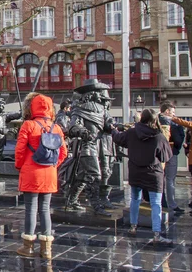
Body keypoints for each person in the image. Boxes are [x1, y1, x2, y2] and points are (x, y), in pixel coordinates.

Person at [15, 93, 67, 259]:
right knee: (45, 209)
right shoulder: (56, 127)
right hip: (49, 173)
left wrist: (20, 165)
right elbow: (63, 153)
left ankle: (28, 246)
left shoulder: (28, 125)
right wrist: (53, 165)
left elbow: (20, 149)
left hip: (31, 172)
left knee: (31, 208)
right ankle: (46, 249)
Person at [111, 108, 173, 245]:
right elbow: (165, 156)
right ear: (155, 120)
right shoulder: (159, 136)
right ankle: (156, 233)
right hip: (153, 173)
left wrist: (113, 129)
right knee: (156, 203)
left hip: (135, 171)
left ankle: (133, 227)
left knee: (135, 199)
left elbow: (118, 138)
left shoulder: (132, 132)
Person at [65, 79, 114, 217]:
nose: (101, 95)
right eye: (98, 92)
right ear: (91, 94)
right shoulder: (79, 109)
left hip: (100, 145)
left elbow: (107, 126)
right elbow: (73, 127)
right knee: (94, 176)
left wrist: (113, 127)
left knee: (82, 177)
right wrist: (82, 131)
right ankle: (96, 205)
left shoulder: (102, 110)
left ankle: (71, 200)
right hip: (87, 146)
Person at [159, 101, 186, 214]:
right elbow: (179, 139)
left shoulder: (154, 121)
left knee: (159, 178)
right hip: (171, 152)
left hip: (158, 153)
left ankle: (160, 202)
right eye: (173, 112)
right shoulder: (174, 123)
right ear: (167, 111)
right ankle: (172, 204)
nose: (174, 115)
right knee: (170, 179)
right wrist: (176, 149)